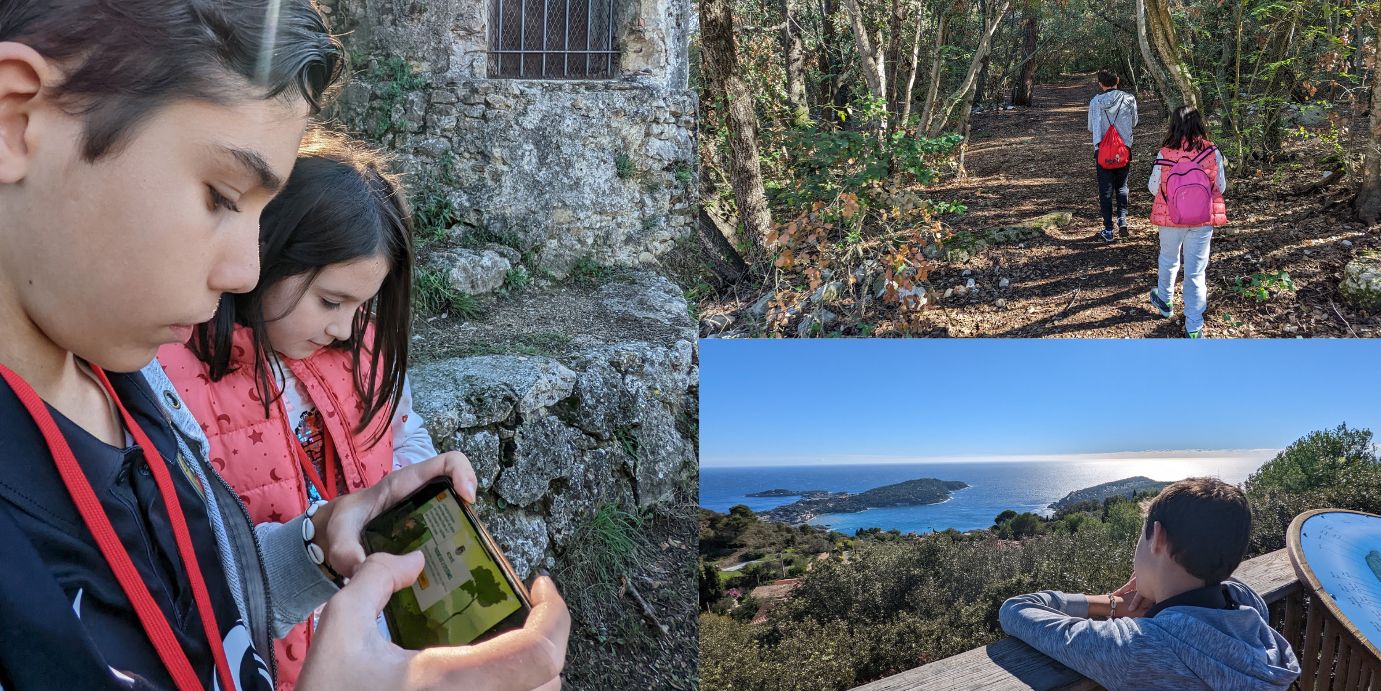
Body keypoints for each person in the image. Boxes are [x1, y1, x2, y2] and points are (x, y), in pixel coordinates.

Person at [0, 2, 568, 690]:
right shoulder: (163, 374)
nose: (245, 270)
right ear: (16, 118)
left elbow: (199, 609)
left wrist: (320, 544)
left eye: (260, 214)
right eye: (220, 193)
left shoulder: (133, 392)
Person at [158, 132, 441, 690]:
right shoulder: (177, 375)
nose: (344, 327)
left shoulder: (360, 351)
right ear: (269, 251)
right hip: (267, 659)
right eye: (331, 302)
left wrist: (421, 494)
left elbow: (401, 431)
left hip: (368, 636)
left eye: (364, 306)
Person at [999, 479, 1301, 690]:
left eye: (1139, 538)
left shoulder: (1136, 649)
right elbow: (1224, 585)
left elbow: (1016, 609)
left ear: (1157, 537)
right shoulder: (1250, 610)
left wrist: (1112, 603)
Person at [1145, 105, 1229, 339]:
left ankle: (1165, 300)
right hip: (1203, 220)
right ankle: (1194, 324)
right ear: (1199, 123)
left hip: (1171, 219)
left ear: (1173, 124)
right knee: (1196, 272)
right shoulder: (1212, 151)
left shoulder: (1165, 153)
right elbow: (1220, 187)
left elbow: (1153, 187)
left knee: (1169, 258)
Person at [1088, 68, 1138, 242]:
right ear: (1118, 80)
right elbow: (1134, 122)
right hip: (1123, 150)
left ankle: (1108, 230)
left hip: (1102, 151)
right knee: (1122, 186)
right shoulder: (1129, 99)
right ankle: (1122, 220)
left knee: (1105, 190)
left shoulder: (1095, 102)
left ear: (1100, 84)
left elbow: (1090, 127)